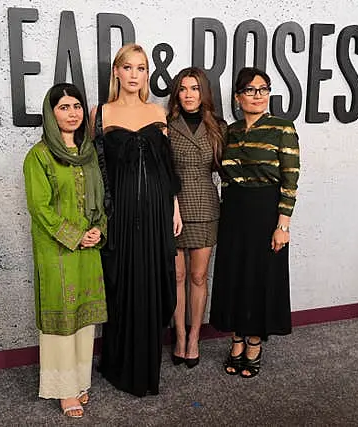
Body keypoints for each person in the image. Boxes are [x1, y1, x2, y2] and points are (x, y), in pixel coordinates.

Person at [90, 43, 182, 397]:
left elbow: (166, 166)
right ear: (116, 71)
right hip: (121, 214)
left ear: (146, 74)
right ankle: (118, 364)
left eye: (141, 68)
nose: (134, 75)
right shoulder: (101, 113)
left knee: (153, 281)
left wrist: (173, 208)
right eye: (127, 67)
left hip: (157, 209)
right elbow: (94, 168)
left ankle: (147, 365)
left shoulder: (158, 113)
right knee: (123, 283)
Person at [210, 67, 300, 379]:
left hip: (266, 213)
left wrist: (283, 224)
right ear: (238, 97)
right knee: (235, 276)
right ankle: (236, 337)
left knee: (262, 277)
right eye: (250, 90)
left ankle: (254, 342)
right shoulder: (229, 132)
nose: (258, 95)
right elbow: (223, 174)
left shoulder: (282, 128)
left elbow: (291, 180)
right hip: (234, 211)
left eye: (263, 89)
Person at [23, 83, 107, 417]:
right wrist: (75, 235)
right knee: (62, 320)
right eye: (63, 107)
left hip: (88, 248)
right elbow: (40, 208)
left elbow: (99, 198)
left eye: (76, 107)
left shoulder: (88, 154)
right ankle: (63, 390)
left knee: (83, 320)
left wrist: (98, 228)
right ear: (51, 112)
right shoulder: (39, 156)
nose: (71, 113)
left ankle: (79, 382)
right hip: (57, 250)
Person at [166, 67, 226, 369]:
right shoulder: (166, 124)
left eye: (195, 88)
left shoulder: (217, 126)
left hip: (205, 207)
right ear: (177, 93)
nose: (189, 94)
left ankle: (194, 338)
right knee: (176, 276)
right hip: (173, 208)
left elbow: (227, 168)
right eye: (183, 89)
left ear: (204, 93)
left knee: (198, 277)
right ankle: (178, 337)